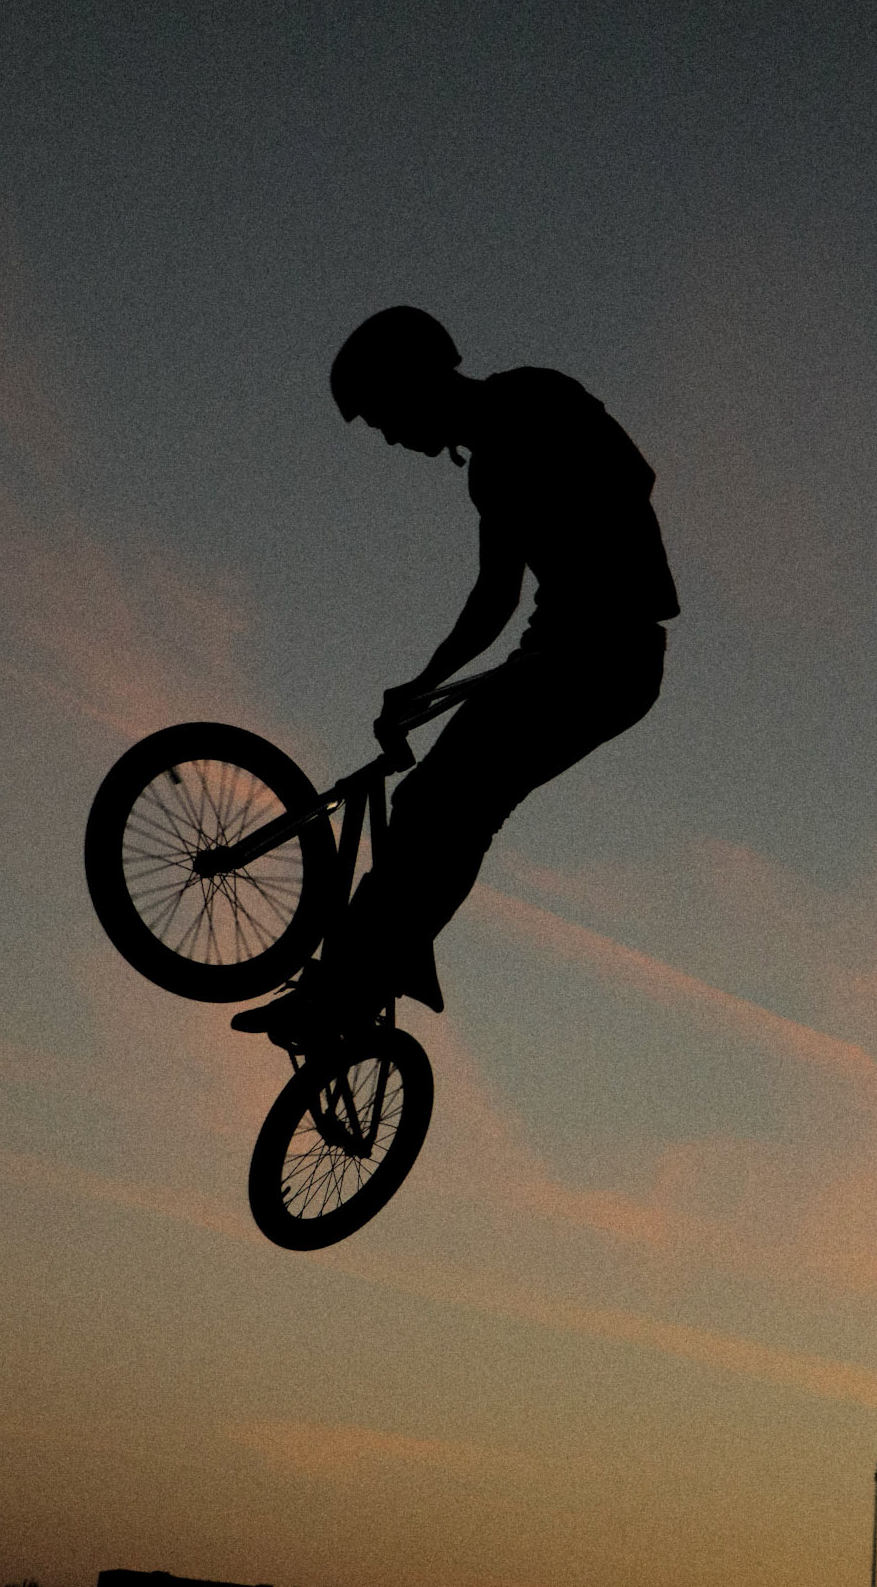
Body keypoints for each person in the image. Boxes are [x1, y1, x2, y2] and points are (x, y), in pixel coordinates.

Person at [232, 304, 678, 1046]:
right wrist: (423, 683)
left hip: (606, 654)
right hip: (559, 654)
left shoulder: (533, 399)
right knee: (431, 802)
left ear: (414, 379)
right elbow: (494, 597)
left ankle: (350, 986)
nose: (389, 437)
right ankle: (360, 981)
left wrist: (591, 565)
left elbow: (633, 475)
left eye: (385, 415)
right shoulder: (490, 472)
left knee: (445, 801)